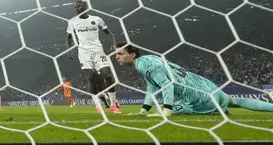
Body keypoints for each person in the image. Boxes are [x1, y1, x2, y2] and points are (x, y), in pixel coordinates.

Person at [115, 43, 273, 116]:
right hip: (206, 86)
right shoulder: (151, 59)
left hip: (199, 99)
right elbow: (152, 88)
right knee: (234, 100)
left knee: (160, 110)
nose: (117, 57)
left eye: (120, 54)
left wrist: (167, 111)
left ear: (132, 55)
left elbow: (168, 85)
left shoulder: (144, 65)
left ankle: (210, 110)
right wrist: (144, 110)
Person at [65, 0, 119, 113]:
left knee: (108, 75)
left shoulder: (97, 19)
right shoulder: (72, 22)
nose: (76, 8)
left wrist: (113, 44)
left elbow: (108, 33)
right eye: (75, 7)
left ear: (86, 7)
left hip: (98, 51)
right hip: (83, 52)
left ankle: (113, 103)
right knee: (89, 77)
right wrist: (69, 50)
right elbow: (68, 38)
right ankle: (98, 105)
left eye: (79, 6)